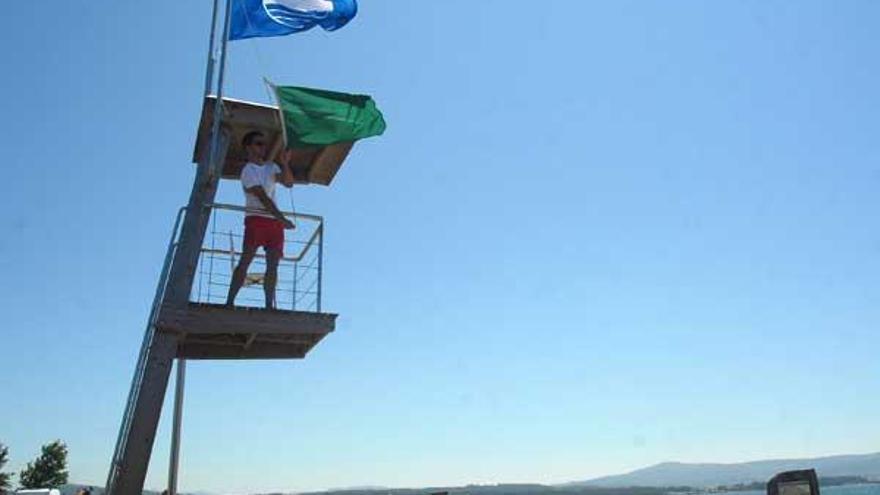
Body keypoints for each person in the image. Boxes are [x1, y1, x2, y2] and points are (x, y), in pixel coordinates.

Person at [225, 130, 295, 309]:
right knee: (246, 260)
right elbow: (262, 197)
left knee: (273, 265)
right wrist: (282, 219)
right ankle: (229, 302)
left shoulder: (272, 167)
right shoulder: (247, 170)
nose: (263, 147)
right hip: (256, 218)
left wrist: (285, 164)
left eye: (264, 144)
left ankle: (268, 306)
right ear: (248, 147)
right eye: (258, 143)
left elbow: (288, 183)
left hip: (274, 222)